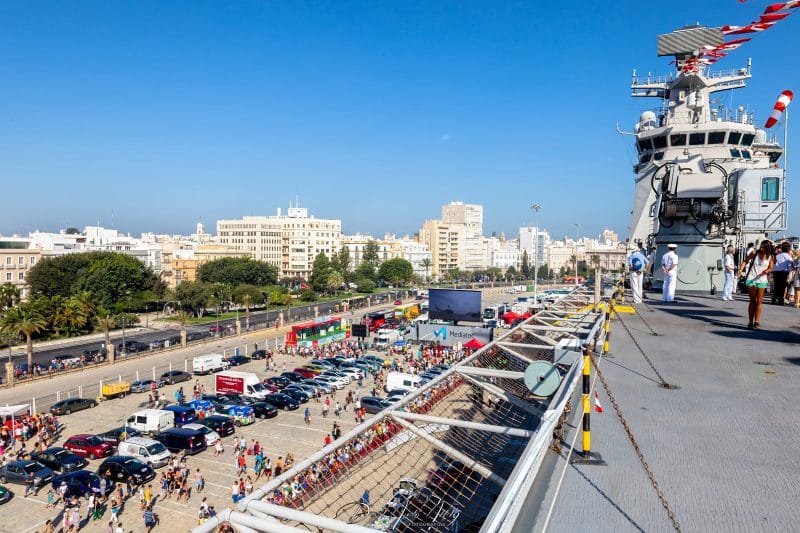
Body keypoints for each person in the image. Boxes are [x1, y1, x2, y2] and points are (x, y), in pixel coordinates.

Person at [739, 240, 775, 329]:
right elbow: (745, 261)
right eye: (761, 246)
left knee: (759, 301)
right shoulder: (754, 253)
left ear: (767, 248)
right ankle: (750, 321)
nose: (761, 248)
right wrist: (740, 270)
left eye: (763, 247)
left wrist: (768, 270)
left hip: (762, 280)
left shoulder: (770, 257)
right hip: (751, 279)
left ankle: (757, 321)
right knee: (753, 300)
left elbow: (771, 267)